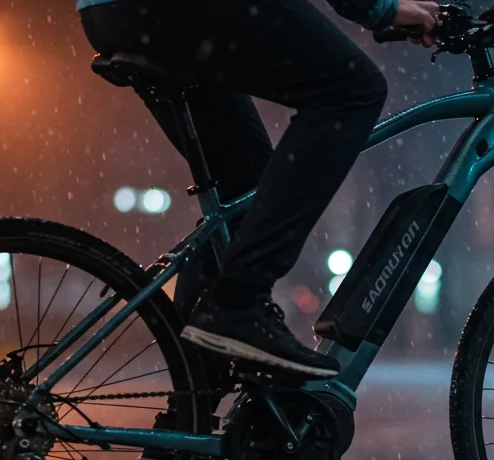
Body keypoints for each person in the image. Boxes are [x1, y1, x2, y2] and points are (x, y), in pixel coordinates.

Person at [79, 0, 442, 379]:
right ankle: (238, 301)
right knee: (354, 89)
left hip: (114, 14)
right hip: (172, 11)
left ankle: (191, 404)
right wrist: (382, 9)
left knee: (244, 191)